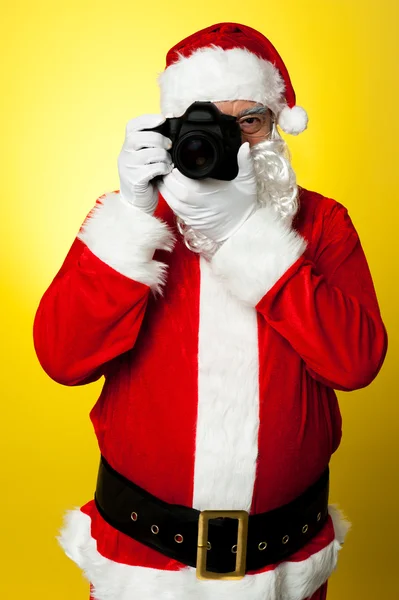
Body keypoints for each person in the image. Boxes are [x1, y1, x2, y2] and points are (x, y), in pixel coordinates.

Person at [33, 22, 388, 600]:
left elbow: (355, 364)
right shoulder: (133, 221)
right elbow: (62, 358)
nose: (233, 141)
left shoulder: (322, 224)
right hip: (142, 560)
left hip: (285, 563)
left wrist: (247, 235)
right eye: (209, 121)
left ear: (276, 126)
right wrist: (132, 216)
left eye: (250, 120)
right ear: (171, 130)